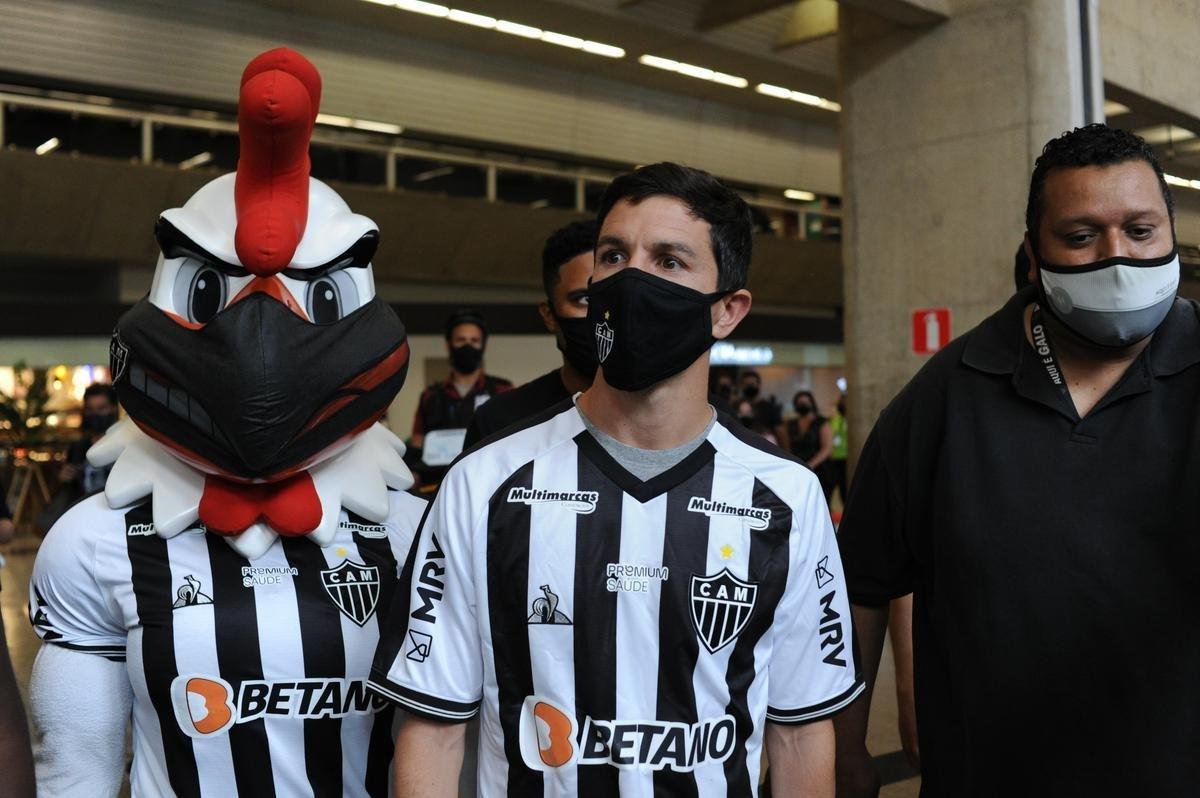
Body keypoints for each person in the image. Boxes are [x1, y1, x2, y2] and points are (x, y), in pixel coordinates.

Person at [371, 161, 862, 796]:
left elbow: (798, 733)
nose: (631, 279)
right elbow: (433, 729)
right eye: (614, 254)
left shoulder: (788, 497)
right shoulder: (483, 484)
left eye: (669, 261)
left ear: (727, 311)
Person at [27, 48, 426, 797]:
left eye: (317, 303)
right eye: (212, 293)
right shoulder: (94, 542)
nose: (261, 351)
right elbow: (73, 767)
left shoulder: (417, 537)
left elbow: (452, 749)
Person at [834, 124, 1198, 796]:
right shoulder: (941, 400)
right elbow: (860, 585)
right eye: (1081, 235)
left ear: (1173, 235)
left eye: (1141, 231)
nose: (1117, 259)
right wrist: (846, 746)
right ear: (1033, 254)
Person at [464, 220, 597, 448]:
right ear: (549, 315)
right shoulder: (500, 423)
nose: (600, 313)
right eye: (584, 299)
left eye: (615, 296)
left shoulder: (670, 420)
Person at [409, 310, 512, 483]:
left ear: (483, 345)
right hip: (438, 484)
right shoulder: (430, 396)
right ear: (449, 345)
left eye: (474, 341)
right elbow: (417, 444)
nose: (467, 346)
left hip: (490, 482)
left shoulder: (503, 390)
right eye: (461, 340)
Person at [785, 390, 834, 499]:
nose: (802, 406)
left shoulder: (821, 422)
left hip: (820, 471)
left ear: (812, 404)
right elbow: (787, 447)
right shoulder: (791, 424)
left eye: (805, 403)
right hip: (798, 471)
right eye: (799, 403)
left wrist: (809, 465)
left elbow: (826, 449)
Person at [738, 369, 785, 441]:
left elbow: (780, 432)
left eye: (752, 384)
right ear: (742, 386)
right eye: (747, 385)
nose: (750, 387)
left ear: (759, 385)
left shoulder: (770, 407)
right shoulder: (735, 406)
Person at [826, 394, 848, 504]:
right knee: (832, 485)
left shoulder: (852, 419)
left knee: (845, 486)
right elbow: (831, 435)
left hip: (848, 458)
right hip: (835, 458)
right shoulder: (836, 419)